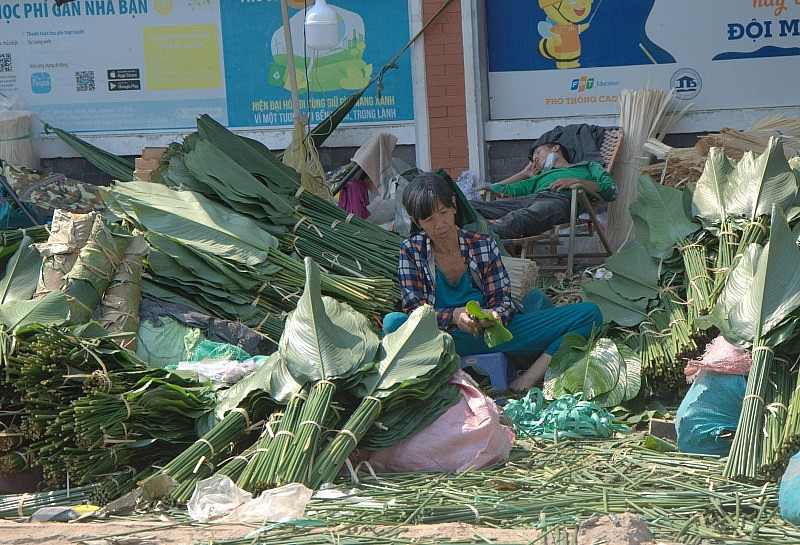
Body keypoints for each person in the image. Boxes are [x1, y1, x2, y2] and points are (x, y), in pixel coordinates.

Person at [384, 171, 603, 391]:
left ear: (454, 206)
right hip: (444, 338)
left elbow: (503, 299)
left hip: (492, 335)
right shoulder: (411, 251)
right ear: (416, 221)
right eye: (429, 219)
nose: (440, 225)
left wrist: (495, 315)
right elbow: (415, 309)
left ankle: (527, 380)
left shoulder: (482, 244)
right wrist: (454, 316)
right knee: (394, 322)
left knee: (589, 314)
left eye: (443, 213)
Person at [470, 142, 617, 239]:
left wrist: (579, 182)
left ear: (555, 148)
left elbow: (611, 191)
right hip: (532, 199)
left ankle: (477, 236)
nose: (535, 159)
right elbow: (495, 190)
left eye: (538, 152)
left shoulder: (586, 167)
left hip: (560, 201)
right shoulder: (538, 179)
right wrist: (523, 174)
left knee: (519, 217)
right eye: (533, 159)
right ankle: (475, 232)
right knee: (471, 206)